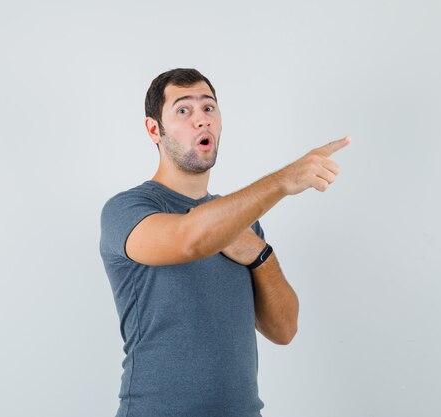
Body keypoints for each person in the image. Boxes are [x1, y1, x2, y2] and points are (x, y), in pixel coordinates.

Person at [99, 68, 350, 417]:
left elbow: (285, 329)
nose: (201, 120)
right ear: (154, 129)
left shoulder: (242, 219)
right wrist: (283, 181)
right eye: (183, 110)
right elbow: (189, 240)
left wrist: (260, 255)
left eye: (209, 108)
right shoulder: (126, 210)